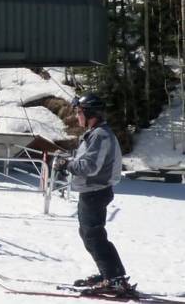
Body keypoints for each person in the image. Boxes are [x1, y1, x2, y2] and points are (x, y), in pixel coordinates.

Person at [54, 94, 133, 296]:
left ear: (90, 113)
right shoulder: (96, 134)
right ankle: (109, 273)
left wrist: (67, 164)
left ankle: (114, 279)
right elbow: (87, 160)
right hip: (93, 190)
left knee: (94, 235)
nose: (77, 116)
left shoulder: (100, 135)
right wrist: (69, 163)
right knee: (91, 234)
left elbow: (89, 166)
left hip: (95, 191)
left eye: (79, 112)